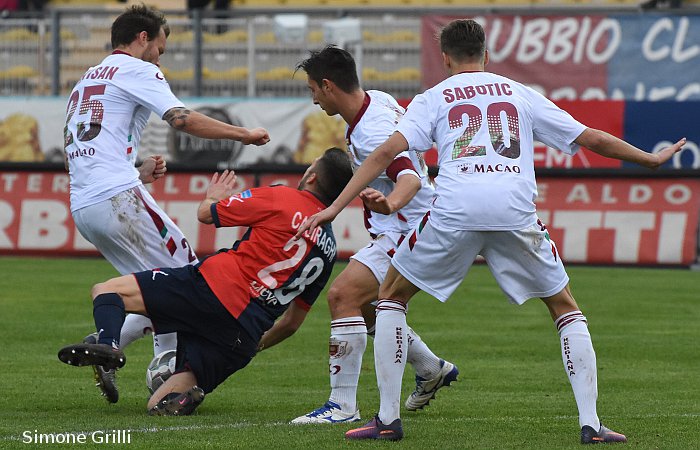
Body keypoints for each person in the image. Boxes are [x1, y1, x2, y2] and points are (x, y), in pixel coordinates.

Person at [296, 20, 686, 443]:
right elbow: (589, 137)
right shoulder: (520, 93)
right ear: (487, 54)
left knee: (390, 299)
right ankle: (591, 424)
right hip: (514, 211)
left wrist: (335, 207)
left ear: (444, 58)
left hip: (454, 210)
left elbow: (388, 153)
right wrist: (649, 159)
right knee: (564, 307)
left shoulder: (434, 97)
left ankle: (388, 420)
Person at [63, 4, 269, 404]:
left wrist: (136, 171)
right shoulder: (137, 69)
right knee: (187, 277)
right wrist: (243, 135)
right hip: (116, 197)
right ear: (143, 38)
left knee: (149, 287)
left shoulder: (86, 79)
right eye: (160, 46)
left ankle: (107, 338)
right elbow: (180, 118)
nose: (160, 56)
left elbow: (88, 147)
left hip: (84, 203)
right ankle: (167, 365)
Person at [58, 147, 353, 416]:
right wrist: (251, 346)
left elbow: (205, 215)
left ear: (312, 176)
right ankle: (185, 397)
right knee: (156, 404)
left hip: (214, 290)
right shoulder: (329, 250)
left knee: (107, 290)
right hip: (244, 335)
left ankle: (108, 346)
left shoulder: (283, 197)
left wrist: (213, 195)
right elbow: (291, 323)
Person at [273, 45, 458, 425]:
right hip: (419, 224)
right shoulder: (380, 102)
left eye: (312, 89)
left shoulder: (372, 127)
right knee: (367, 307)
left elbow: (408, 175)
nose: (311, 98)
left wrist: (391, 205)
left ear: (327, 86)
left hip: (414, 229)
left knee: (343, 296)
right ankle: (430, 368)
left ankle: (342, 406)